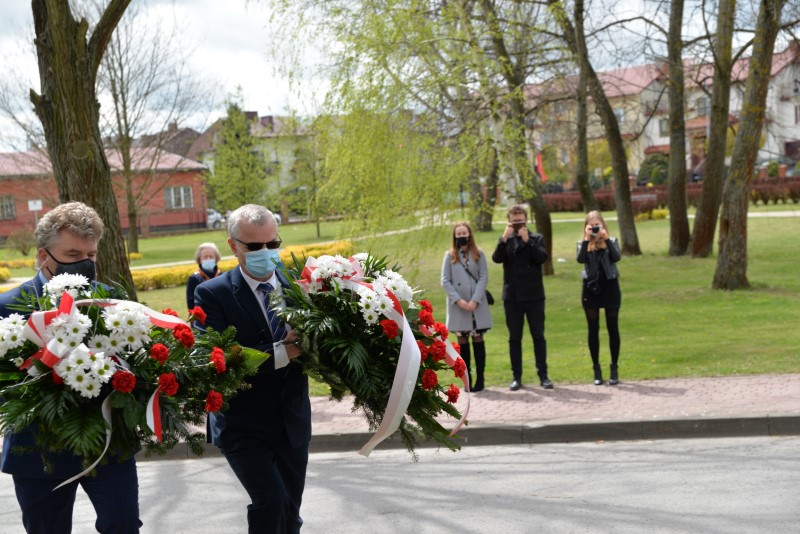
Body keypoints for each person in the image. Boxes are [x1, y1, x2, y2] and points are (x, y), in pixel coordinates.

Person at [0, 201, 142, 533]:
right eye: (73, 254)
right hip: (38, 450)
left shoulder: (112, 301)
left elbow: (137, 361)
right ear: (43, 256)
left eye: (91, 255)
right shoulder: (8, 307)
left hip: (108, 444)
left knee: (123, 525)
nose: (85, 263)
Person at [193, 204, 310, 534]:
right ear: (233, 246)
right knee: (271, 502)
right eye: (255, 246)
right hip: (242, 423)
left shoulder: (300, 287)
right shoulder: (212, 294)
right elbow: (220, 359)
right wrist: (284, 351)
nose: (266, 252)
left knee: (290, 512)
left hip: (292, 419)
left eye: (273, 243)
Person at [491, 204, 553, 391]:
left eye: (520, 221)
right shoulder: (506, 240)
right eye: (514, 221)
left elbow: (542, 258)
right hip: (513, 297)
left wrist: (527, 241)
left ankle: (543, 375)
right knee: (514, 338)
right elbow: (497, 258)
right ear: (509, 221)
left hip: (534, 296)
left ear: (526, 220)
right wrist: (504, 238)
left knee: (538, 336)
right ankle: (516, 376)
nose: (518, 224)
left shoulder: (536, 238)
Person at [441, 222, 493, 392]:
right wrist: (459, 300)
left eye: (464, 232)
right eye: (459, 233)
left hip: (476, 305)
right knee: (462, 342)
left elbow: (484, 277)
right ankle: (467, 378)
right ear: (455, 236)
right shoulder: (450, 256)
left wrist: (475, 300)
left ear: (469, 234)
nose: (462, 236)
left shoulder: (479, 254)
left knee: (478, 340)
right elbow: (445, 280)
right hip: (459, 306)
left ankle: (481, 378)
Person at [576, 210, 622, 386]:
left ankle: (614, 368)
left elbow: (617, 257)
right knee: (593, 329)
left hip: (610, 287)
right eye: (592, 226)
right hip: (591, 290)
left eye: (597, 225)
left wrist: (606, 239)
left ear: (603, 225)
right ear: (586, 227)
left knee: (613, 328)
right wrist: (587, 240)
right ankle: (596, 369)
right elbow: (580, 260)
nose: (595, 228)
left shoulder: (612, 241)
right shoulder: (582, 243)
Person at [185, 242, 223, 310]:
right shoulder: (194, 279)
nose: (208, 259)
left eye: (211, 257)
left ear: (216, 259)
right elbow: (191, 305)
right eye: (205, 257)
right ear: (199, 260)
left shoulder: (222, 276)